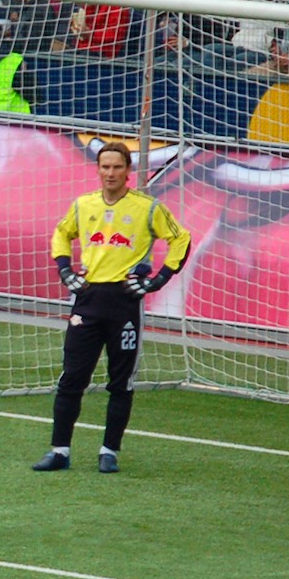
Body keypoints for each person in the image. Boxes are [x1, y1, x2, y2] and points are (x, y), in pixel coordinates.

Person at [35, 142, 192, 474]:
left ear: (128, 170)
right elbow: (61, 234)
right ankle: (60, 451)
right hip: (88, 301)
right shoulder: (83, 205)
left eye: (117, 167)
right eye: (105, 167)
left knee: (120, 383)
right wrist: (65, 270)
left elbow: (181, 238)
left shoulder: (148, 208)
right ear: (97, 170)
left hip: (124, 305)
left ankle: (109, 451)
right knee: (71, 378)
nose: (110, 173)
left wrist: (159, 279)